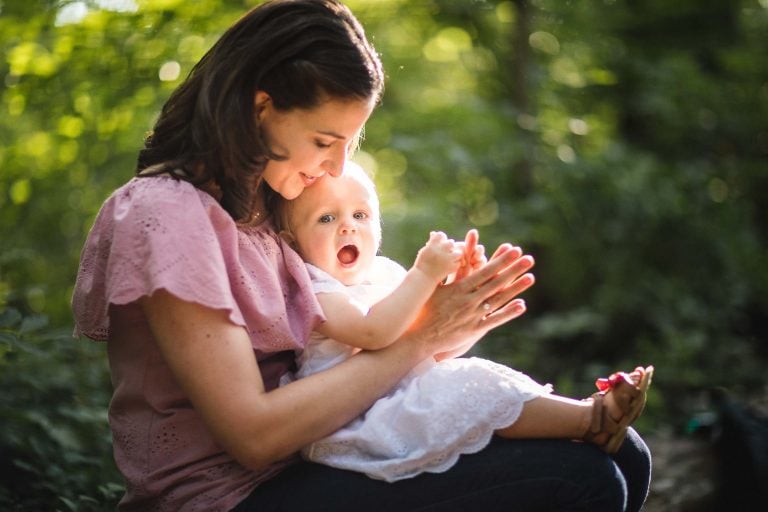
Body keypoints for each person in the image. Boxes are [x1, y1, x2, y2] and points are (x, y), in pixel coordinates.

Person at [71, 0, 653, 510]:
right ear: (260, 107)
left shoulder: (269, 210)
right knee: (581, 477)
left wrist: (450, 319)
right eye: (325, 142)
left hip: (319, 458)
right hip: (232, 496)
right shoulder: (168, 214)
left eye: (349, 146)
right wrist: (418, 341)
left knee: (624, 453)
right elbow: (253, 437)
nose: (336, 168)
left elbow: (347, 356)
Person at [274, 161, 653, 483]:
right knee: (471, 383)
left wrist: (468, 307)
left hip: (403, 396)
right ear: (293, 243)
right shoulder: (314, 287)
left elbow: (430, 352)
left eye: (361, 215)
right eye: (327, 218)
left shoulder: (385, 274)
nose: (348, 227)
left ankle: (589, 417)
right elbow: (372, 333)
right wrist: (423, 274)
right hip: (355, 418)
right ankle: (590, 419)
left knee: (472, 378)